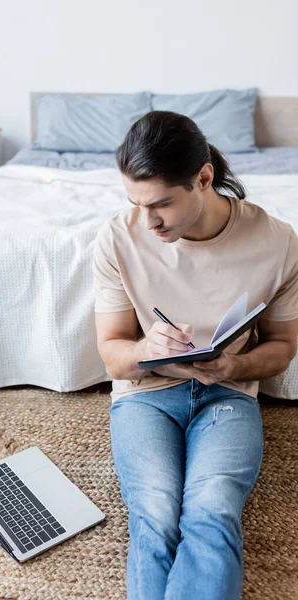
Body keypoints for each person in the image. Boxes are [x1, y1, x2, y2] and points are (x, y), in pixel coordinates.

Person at [92, 111, 298, 600]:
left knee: (211, 509)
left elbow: (283, 348)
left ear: (203, 178)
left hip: (226, 393)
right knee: (155, 514)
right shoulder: (118, 239)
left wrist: (235, 365)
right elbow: (112, 356)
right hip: (145, 395)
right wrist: (145, 348)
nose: (148, 221)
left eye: (161, 203)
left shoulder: (277, 243)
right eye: (135, 203)